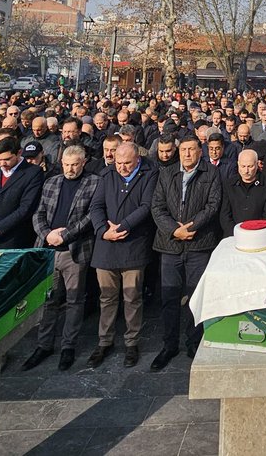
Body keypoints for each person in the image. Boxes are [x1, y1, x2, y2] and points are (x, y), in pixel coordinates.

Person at [150, 134, 223, 371]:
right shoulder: (166, 173)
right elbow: (157, 207)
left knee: (196, 296)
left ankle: (194, 341)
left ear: (200, 151)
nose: (187, 154)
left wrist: (190, 228)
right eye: (183, 150)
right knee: (170, 297)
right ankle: (169, 344)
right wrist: (175, 230)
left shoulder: (210, 174)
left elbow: (212, 206)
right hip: (170, 244)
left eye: (192, 149)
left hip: (199, 243)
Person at [26, 145, 101, 371]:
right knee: (49, 300)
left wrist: (65, 235)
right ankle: (44, 344)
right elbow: (38, 213)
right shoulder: (51, 182)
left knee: (74, 300)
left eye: (74, 164)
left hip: (74, 249)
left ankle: (68, 345)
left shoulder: (94, 182)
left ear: (83, 163)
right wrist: (47, 233)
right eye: (66, 164)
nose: (70, 169)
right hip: (48, 249)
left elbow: (90, 217)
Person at [87, 141, 158, 369]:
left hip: (133, 243)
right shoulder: (107, 174)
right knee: (106, 297)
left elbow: (147, 206)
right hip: (107, 244)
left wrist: (123, 226)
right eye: (119, 163)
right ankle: (104, 340)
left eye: (127, 163)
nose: (122, 168)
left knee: (132, 297)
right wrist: (102, 230)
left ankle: (131, 341)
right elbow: (96, 206)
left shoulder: (149, 173)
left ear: (137, 159)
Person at [221, 148, 266, 235]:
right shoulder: (229, 185)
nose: (246, 171)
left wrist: (255, 233)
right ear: (238, 164)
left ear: (257, 164)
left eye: (250, 166)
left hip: (260, 234)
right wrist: (236, 233)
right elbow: (225, 215)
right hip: (233, 236)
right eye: (243, 166)